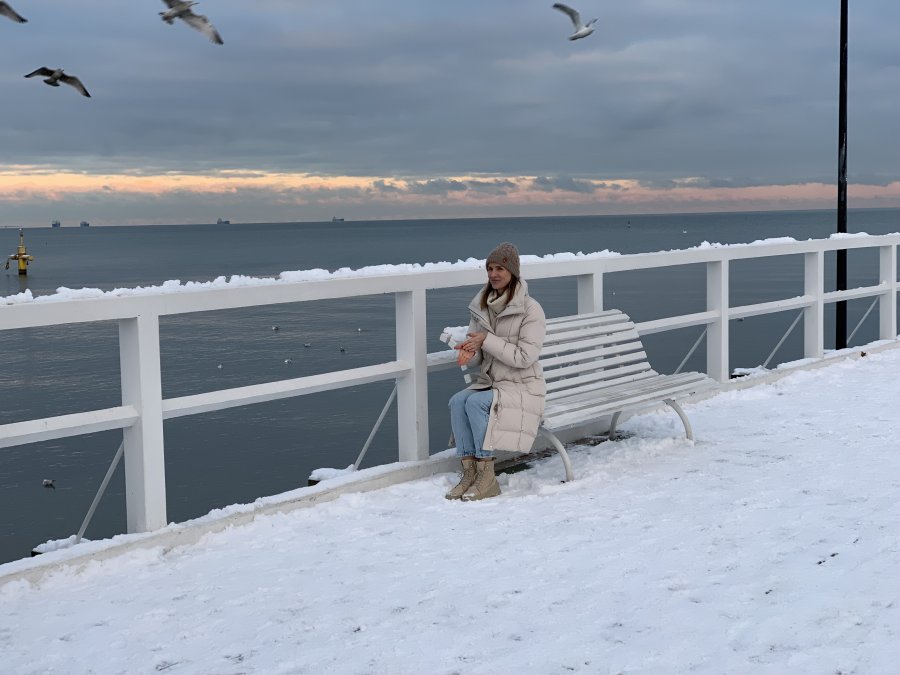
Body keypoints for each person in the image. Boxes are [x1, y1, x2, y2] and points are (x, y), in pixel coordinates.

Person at [446, 242, 547, 501]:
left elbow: (525, 357)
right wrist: (471, 352)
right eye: (490, 268)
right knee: (458, 401)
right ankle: (469, 472)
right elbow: (482, 353)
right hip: (495, 382)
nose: (493, 274)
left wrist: (486, 340)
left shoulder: (530, 309)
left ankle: (487, 477)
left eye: (500, 268)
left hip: (523, 385)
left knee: (477, 402)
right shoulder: (481, 306)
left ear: (513, 272)